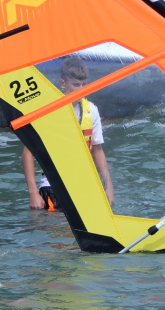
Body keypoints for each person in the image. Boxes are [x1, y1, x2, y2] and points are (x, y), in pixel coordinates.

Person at [22, 56, 114, 210]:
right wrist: (33, 193)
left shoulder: (91, 110)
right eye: (76, 85)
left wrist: (109, 187)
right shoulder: (47, 111)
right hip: (53, 186)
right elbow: (27, 153)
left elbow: (97, 150)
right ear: (63, 83)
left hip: (83, 186)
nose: (82, 89)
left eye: (84, 84)